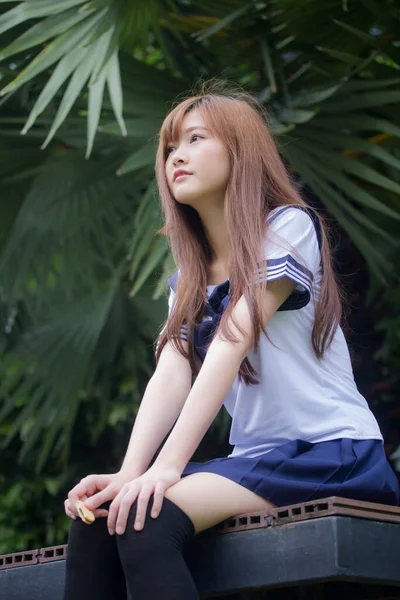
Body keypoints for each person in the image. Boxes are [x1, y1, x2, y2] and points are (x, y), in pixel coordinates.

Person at [62, 81, 400, 600]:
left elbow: (232, 340)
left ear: (239, 151)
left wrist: (167, 468)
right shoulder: (190, 277)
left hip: (332, 452)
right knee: (100, 517)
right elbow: (172, 372)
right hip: (258, 461)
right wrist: (131, 472)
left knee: (143, 520)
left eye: (196, 139)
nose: (177, 156)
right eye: (171, 146)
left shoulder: (290, 226)